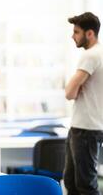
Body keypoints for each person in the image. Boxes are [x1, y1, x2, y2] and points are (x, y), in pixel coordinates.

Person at [64, 12, 103, 195]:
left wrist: (76, 88)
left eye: (76, 32)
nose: (73, 36)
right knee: (72, 183)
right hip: (84, 127)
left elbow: (69, 92)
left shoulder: (91, 55)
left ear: (90, 34)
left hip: (85, 129)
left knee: (85, 187)